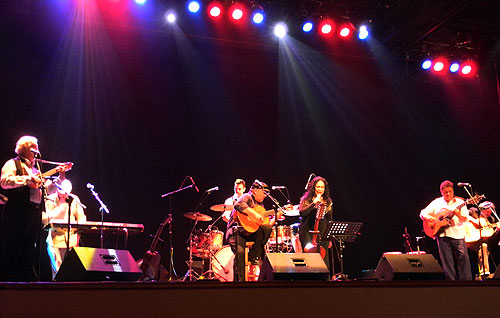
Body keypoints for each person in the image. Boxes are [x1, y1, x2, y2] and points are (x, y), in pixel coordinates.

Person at [0, 136, 46, 281]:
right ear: (25, 149)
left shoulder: (35, 168)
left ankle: (25, 280)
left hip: (34, 212)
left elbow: (46, 190)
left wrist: (60, 178)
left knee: (30, 247)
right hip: (18, 211)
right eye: (34, 146)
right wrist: (27, 179)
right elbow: (4, 181)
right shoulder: (12, 163)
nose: (37, 149)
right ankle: (9, 280)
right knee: (15, 245)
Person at [420, 180, 472, 280]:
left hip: (457, 234)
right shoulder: (437, 202)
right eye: (445, 192)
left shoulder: (461, 202)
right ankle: (451, 283)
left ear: (453, 191)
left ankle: (466, 282)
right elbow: (422, 213)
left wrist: (457, 214)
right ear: (441, 192)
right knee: (447, 261)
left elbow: (464, 219)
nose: (448, 194)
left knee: (463, 258)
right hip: (442, 235)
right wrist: (429, 218)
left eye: (449, 191)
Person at [226, 180, 274, 281]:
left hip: (249, 232)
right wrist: (253, 214)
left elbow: (265, 226)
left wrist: (275, 217)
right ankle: (240, 282)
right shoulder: (247, 196)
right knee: (240, 254)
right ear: (255, 191)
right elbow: (238, 205)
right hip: (236, 231)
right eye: (264, 193)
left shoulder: (260, 206)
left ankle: (253, 255)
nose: (265, 196)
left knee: (267, 229)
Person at [43, 178, 86, 280]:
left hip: (71, 238)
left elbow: (81, 216)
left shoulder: (74, 199)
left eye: (66, 193)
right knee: (58, 268)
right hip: (56, 239)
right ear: (57, 190)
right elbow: (46, 219)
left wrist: (79, 228)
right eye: (62, 193)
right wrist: (59, 209)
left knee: (72, 269)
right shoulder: (50, 199)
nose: (65, 195)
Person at [298, 176, 333, 272]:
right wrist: (313, 203)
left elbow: (329, 219)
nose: (320, 189)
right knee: (310, 260)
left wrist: (329, 237)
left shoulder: (328, 201)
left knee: (324, 261)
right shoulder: (307, 200)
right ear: (313, 187)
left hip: (322, 233)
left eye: (322, 187)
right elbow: (302, 213)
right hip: (307, 232)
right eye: (318, 187)